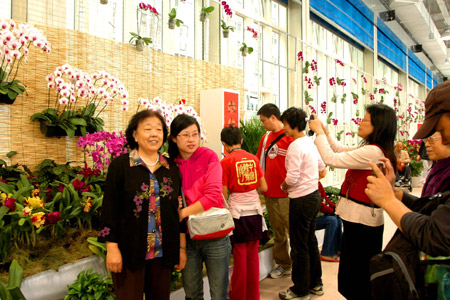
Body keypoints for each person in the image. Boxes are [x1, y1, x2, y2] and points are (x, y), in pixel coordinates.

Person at [365, 80, 450, 298]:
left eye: (438, 131)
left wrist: (389, 201)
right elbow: (435, 207)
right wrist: (396, 194)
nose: (429, 142)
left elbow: (435, 234)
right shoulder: (440, 170)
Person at [309, 104, 397, 300]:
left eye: (365, 120)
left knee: (358, 275)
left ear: (378, 126)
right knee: (354, 272)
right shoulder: (371, 149)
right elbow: (340, 150)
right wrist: (325, 132)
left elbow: (332, 159)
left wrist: (319, 134)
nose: (360, 123)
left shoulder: (374, 152)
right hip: (358, 220)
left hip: (363, 221)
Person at [98, 110, 186, 300]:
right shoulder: (120, 166)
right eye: (148, 129)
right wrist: (112, 248)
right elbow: (109, 209)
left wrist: (181, 248)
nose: (154, 134)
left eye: (159, 129)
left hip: (163, 255)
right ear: (135, 135)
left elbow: (176, 212)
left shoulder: (171, 169)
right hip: (129, 252)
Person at [169, 114, 231, 300]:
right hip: (187, 238)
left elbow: (212, 196)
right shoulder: (170, 165)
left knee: (219, 294)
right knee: (192, 294)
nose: (191, 139)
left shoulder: (209, 156)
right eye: (185, 135)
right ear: (173, 138)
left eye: (195, 134)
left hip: (215, 236)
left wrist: (182, 213)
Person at [278, 107, 326, 300]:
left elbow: (292, 177)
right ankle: (316, 284)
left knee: (299, 246)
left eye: (285, 124)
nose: (284, 128)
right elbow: (322, 169)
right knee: (310, 242)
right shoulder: (310, 142)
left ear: (293, 124)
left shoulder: (295, 146)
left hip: (301, 199)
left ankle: (300, 290)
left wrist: (283, 186)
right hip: (313, 196)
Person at [220, 126, 268, 300]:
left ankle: (238, 296)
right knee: (253, 256)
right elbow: (264, 187)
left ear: (224, 144)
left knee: (239, 257)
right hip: (255, 212)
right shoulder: (253, 158)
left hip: (237, 214)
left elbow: (223, 193)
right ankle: (254, 296)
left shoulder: (225, 162)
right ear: (241, 141)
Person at [256, 103, 294, 278]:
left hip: (289, 195)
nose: (262, 124)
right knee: (279, 233)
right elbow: (258, 163)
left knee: (294, 233)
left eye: (264, 120)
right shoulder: (265, 139)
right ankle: (284, 264)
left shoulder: (291, 138)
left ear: (273, 117)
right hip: (270, 194)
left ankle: (300, 266)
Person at [316, 178, 342, 263]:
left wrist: (335, 208)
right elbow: (319, 204)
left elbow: (325, 199)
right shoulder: (311, 184)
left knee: (337, 218)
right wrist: (332, 211)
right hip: (311, 218)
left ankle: (338, 248)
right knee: (332, 220)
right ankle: (327, 253)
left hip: (319, 215)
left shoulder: (318, 183)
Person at [421, 132, 450, 196]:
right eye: (426, 140)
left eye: (431, 139)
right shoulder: (438, 166)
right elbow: (427, 202)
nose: (426, 144)